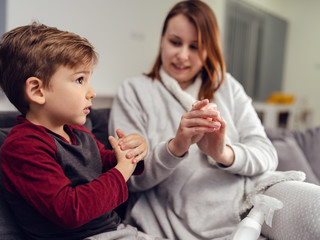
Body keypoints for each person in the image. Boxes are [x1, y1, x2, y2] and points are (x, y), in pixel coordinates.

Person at [108, 1, 320, 239]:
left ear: (209, 49)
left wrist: (223, 153)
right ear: (162, 39)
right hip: (176, 212)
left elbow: (267, 155)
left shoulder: (227, 86)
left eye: (196, 47)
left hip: (247, 198)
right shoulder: (134, 91)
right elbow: (129, 178)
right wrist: (175, 148)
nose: (182, 55)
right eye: (175, 42)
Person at [0, 22, 163, 240]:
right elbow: (70, 210)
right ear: (37, 90)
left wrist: (132, 154)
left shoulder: (77, 133)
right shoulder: (24, 146)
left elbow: (106, 163)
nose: (92, 92)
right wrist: (123, 170)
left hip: (115, 231)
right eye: (80, 80)